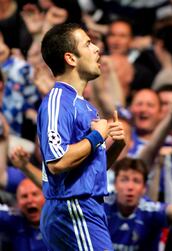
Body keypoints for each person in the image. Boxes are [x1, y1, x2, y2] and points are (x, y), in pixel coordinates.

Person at [37, 23, 126, 250]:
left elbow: (89, 170)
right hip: (73, 207)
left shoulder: (85, 107)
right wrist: (97, 136)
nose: (97, 49)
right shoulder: (58, 102)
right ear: (71, 58)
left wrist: (116, 144)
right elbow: (57, 162)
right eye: (88, 44)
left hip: (85, 206)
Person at [0, 178, 46, 250]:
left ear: (46, 197)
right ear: (18, 202)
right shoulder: (13, 221)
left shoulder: (59, 220)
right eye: (24, 196)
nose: (29, 200)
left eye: (35, 194)